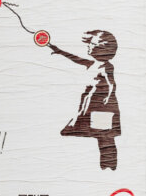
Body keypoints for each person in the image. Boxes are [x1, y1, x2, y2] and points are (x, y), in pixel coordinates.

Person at [48, 30, 121, 170]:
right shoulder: (93, 64)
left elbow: (111, 83)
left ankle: (109, 166)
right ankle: (106, 167)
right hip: (93, 106)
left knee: (105, 138)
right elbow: (76, 59)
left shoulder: (106, 67)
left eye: (92, 44)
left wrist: (108, 96)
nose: (88, 46)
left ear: (102, 48)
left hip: (102, 108)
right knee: (103, 136)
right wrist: (59, 51)